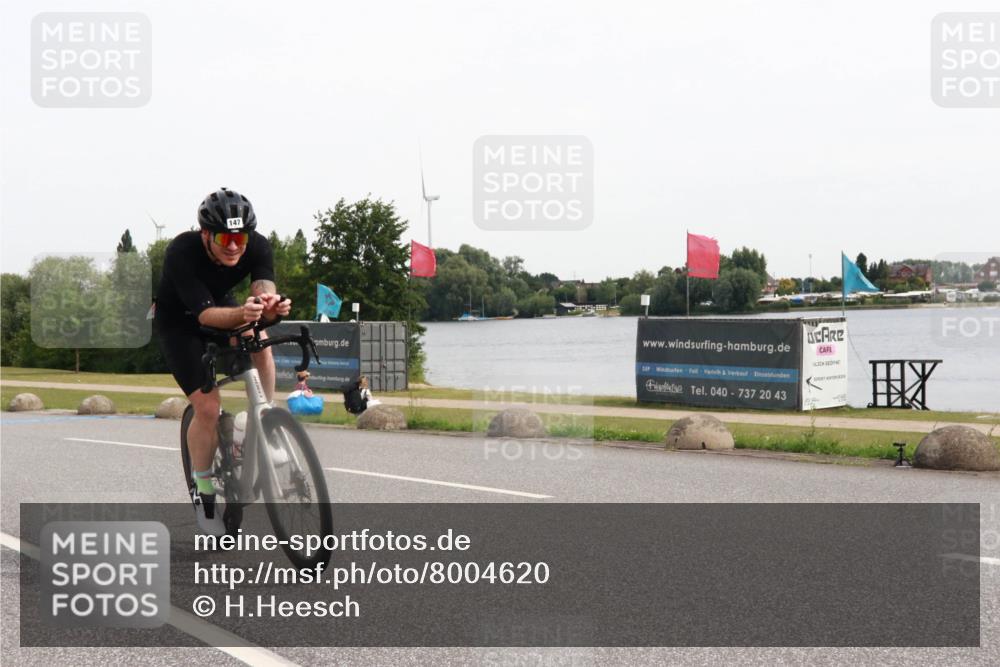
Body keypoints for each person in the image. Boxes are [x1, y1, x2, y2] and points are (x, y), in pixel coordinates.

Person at [154, 187, 291, 535]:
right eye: (224, 237)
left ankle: (265, 421)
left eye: (240, 237)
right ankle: (204, 491)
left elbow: (262, 294)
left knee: (258, 339)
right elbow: (205, 316)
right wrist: (244, 314)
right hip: (181, 325)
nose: (234, 245)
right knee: (208, 409)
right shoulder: (181, 252)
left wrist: (269, 309)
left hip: (222, 307)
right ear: (206, 234)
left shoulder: (257, 245)